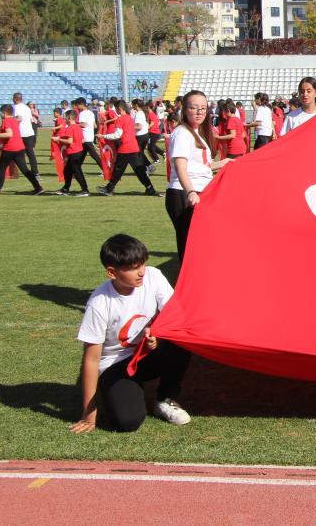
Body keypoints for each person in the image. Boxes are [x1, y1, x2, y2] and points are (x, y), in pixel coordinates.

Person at [72, 234, 192, 433]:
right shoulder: (99, 303)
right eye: (133, 267)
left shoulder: (153, 276)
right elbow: (91, 360)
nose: (142, 272)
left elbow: (175, 314)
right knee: (127, 422)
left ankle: (165, 399)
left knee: (181, 339)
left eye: (143, 264)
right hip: (115, 365)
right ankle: (120, 390)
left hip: (146, 354)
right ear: (112, 272)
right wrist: (89, 413)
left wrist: (157, 335)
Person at [166, 90, 229, 264]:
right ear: (185, 110)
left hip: (198, 191)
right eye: (194, 108)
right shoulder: (182, 133)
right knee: (188, 246)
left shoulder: (196, 132)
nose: (200, 112)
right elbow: (180, 166)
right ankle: (188, 287)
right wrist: (190, 192)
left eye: (203, 108)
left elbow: (200, 167)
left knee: (199, 244)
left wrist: (223, 164)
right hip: (184, 193)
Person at [96, 102, 157, 197]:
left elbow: (117, 135)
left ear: (119, 108)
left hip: (125, 148)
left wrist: (103, 136)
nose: (115, 110)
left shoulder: (120, 119)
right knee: (139, 170)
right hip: (133, 147)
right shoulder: (129, 118)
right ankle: (150, 188)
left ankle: (109, 189)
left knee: (118, 170)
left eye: (116, 108)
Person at [0, 104, 44, 196]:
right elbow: (19, 120)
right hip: (19, 148)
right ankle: (38, 187)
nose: (0, 115)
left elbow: (9, 134)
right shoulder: (14, 120)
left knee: (2, 169)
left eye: (1, 113)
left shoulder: (6, 121)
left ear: (4, 113)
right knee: (24, 169)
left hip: (10, 149)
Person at [51, 110, 89, 197]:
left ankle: (85, 190)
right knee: (67, 171)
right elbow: (82, 140)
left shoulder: (70, 128)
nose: (64, 119)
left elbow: (69, 141)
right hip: (79, 151)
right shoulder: (78, 127)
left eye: (65, 117)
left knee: (77, 172)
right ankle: (66, 188)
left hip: (74, 152)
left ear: (69, 118)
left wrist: (58, 139)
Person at [11, 92, 39, 177]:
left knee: (19, 153)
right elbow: (30, 119)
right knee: (30, 153)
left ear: (15, 99)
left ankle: (23, 171)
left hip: (21, 133)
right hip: (29, 132)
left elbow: (19, 118)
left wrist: (10, 122)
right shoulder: (26, 107)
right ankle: (35, 171)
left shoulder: (16, 107)